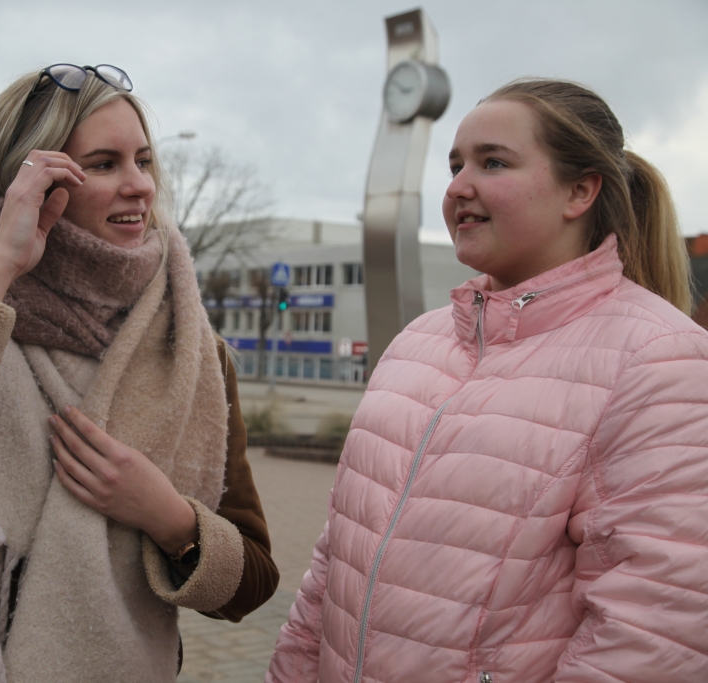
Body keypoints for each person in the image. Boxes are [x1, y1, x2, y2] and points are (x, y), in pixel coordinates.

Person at [0, 63, 278, 683]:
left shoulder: (196, 354)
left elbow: (250, 583)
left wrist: (168, 517)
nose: (139, 187)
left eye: (144, 162)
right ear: (30, 185)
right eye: (102, 164)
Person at [267, 79, 708, 682]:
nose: (456, 188)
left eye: (492, 162)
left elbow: (653, 627)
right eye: (455, 165)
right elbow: (334, 562)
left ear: (580, 191)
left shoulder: (659, 358)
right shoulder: (417, 342)